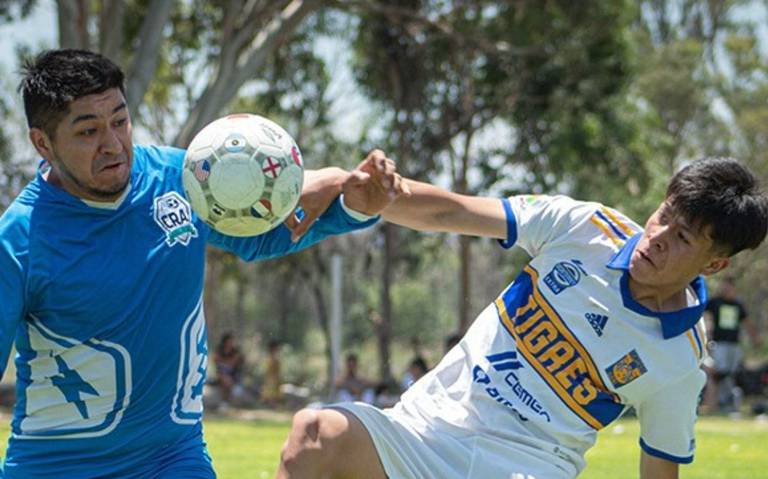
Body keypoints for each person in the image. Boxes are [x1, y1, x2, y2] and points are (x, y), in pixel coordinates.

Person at [0, 49, 403, 479]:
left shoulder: (180, 177)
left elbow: (261, 236)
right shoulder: (19, 241)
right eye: (88, 131)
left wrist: (354, 209)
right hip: (54, 468)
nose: (113, 144)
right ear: (43, 142)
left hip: (172, 459)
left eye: (120, 121)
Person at [278, 157, 768, 479]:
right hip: (424, 429)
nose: (658, 236)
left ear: (715, 264)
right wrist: (379, 197)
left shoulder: (680, 359)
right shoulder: (583, 227)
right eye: (663, 216)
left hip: (526, 466)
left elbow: (660, 465)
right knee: (317, 433)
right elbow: (452, 213)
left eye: (683, 238)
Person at [702, 276, 762, 413]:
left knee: (731, 374)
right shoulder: (715, 302)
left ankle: (729, 403)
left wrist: (755, 338)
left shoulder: (737, 305)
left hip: (734, 345)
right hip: (719, 344)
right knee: (718, 374)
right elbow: (703, 315)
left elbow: (746, 322)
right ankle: (716, 403)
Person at [213, 332, 245, 405]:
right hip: (221, 374)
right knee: (224, 379)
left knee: (226, 380)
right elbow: (216, 360)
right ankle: (226, 401)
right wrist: (226, 362)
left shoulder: (235, 351)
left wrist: (223, 361)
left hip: (233, 375)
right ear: (225, 342)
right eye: (229, 341)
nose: (231, 343)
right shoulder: (219, 350)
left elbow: (233, 363)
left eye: (232, 341)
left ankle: (225, 402)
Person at [261, 340, 283, 407]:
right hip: (271, 378)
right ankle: (271, 404)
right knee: (270, 391)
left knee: (274, 391)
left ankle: (273, 404)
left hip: (274, 377)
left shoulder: (274, 357)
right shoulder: (270, 358)